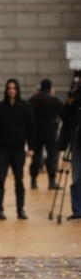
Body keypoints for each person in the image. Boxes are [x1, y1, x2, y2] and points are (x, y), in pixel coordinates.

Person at [0, 78, 35, 220]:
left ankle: (20, 210)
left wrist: (31, 147)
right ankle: (0, 210)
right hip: (3, 150)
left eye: (13, 88)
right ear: (6, 90)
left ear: (17, 89)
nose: (11, 90)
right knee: (0, 180)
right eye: (9, 88)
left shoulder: (25, 106)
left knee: (19, 180)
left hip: (19, 150)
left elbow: (31, 129)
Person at [29, 79, 64, 190]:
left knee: (36, 157)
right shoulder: (53, 100)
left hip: (36, 133)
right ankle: (51, 181)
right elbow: (63, 112)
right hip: (50, 132)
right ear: (50, 88)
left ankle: (33, 181)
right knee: (51, 157)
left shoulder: (32, 99)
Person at [59, 80, 81, 221]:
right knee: (77, 176)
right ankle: (78, 209)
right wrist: (70, 101)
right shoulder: (75, 95)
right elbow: (65, 117)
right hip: (77, 141)